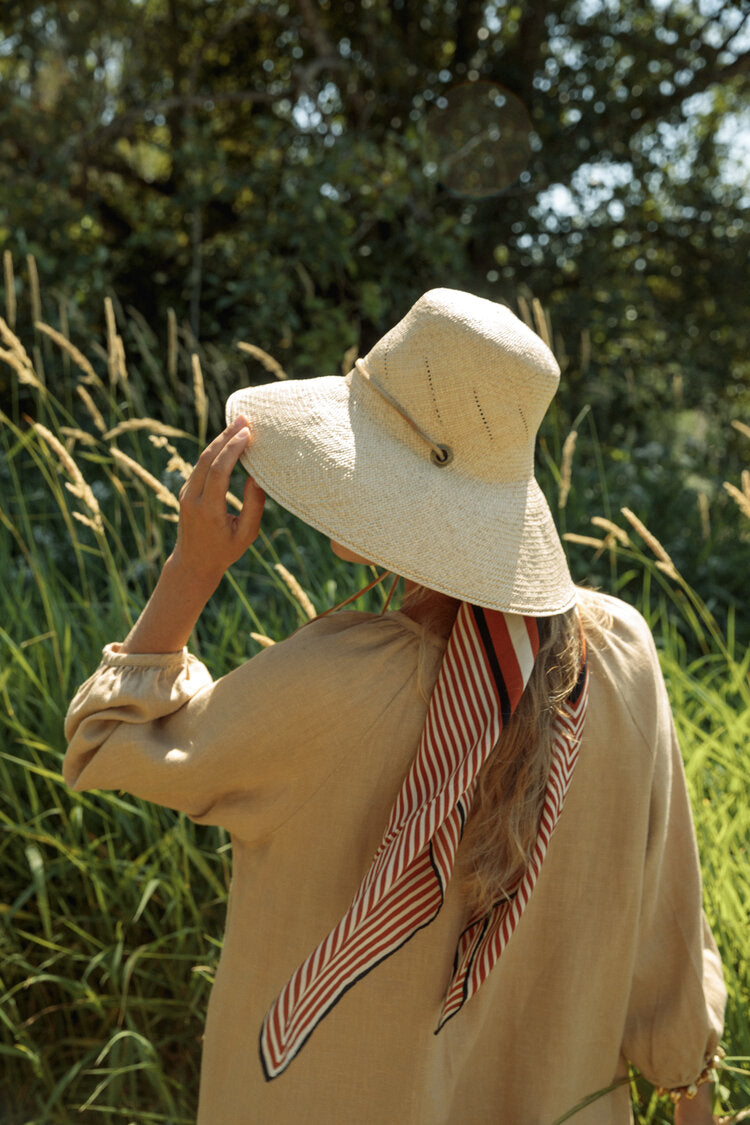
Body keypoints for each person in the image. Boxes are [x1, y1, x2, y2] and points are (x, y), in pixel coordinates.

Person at [64, 289, 725, 1124]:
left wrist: (190, 570)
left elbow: (109, 737)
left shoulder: (341, 681)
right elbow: (671, 923)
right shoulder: (619, 653)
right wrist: (691, 1087)